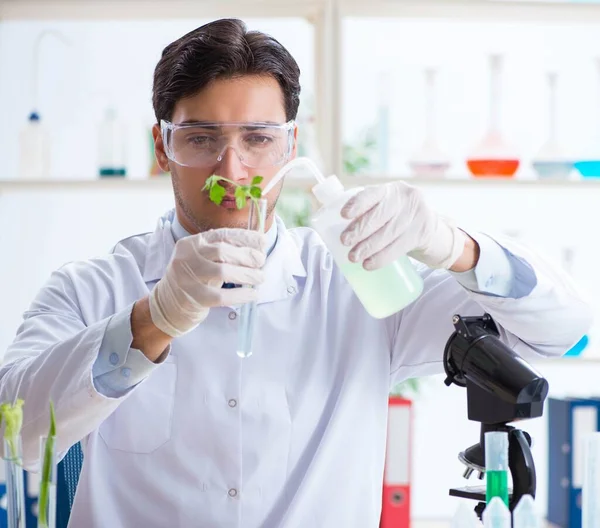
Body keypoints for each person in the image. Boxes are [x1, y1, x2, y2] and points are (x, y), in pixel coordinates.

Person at [0, 18, 591, 528]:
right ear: (162, 146)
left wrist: (452, 245)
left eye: (257, 139)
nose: (231, 170)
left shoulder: (356, 284)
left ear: (289, 147)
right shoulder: (90, 289)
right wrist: (151, 321)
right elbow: (15, 437)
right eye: (202, 139)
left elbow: (566, 331)